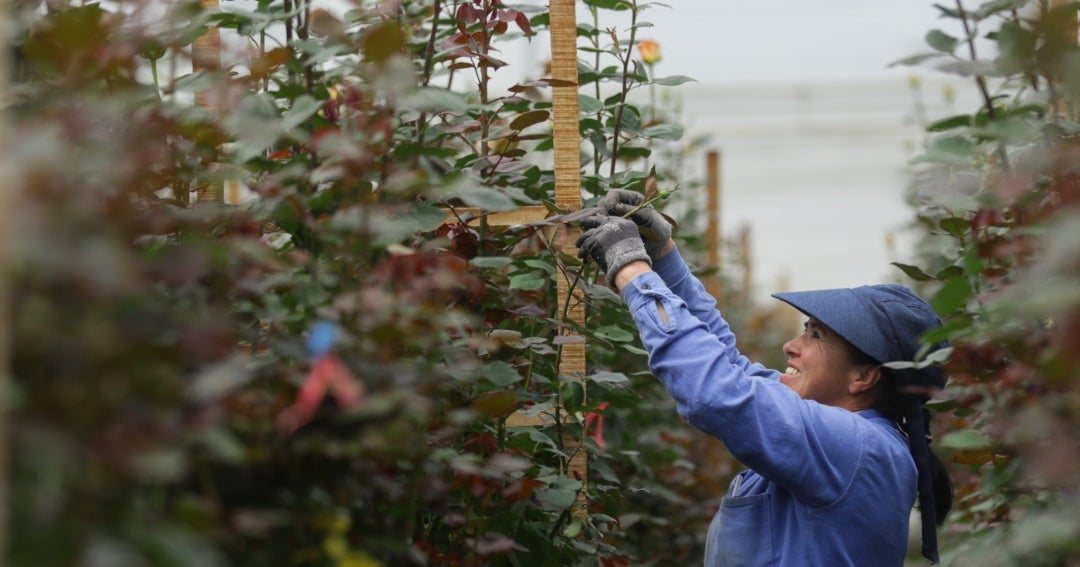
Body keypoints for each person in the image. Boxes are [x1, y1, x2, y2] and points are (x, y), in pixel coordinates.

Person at [576, 189, 954, 566]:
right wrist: (663, 258)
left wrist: (631, 270)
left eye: (815, 336)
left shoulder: (855, 446)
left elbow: (717, 393)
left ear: (864, 377)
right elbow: (732, 369)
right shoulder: (843, 432)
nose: (791, 345)